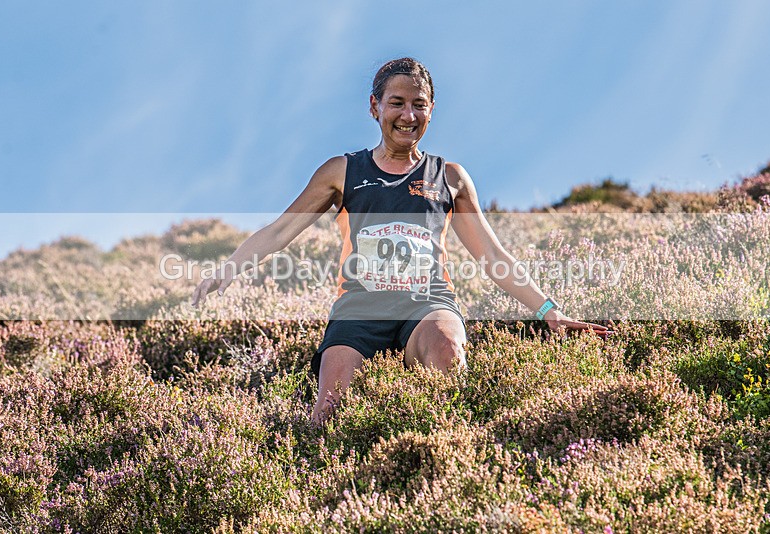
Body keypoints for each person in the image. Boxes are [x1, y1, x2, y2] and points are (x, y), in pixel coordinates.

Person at [191, 57, 613, 424]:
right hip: (359, 310)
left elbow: (491, 254)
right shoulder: (342, 171)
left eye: (419, 104)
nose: (408, 115)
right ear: (374, 107)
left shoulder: (450, 177)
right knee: (328, 414)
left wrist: (549, 311)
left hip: (427, 304)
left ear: (432, 110)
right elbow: (281, 230)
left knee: (448, 350)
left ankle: (453, 461)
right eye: (396, 103)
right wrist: (230, 267)